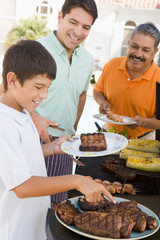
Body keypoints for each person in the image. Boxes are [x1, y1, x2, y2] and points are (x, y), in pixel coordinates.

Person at [0, 40, 115, 240]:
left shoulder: (22, 110)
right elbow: (22, 186)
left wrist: (52, 148)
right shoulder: (4, 124)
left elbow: (22, 155)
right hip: (15, 231)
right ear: (12, 80)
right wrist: (77, 181)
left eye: (47, 87)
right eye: (38, 87)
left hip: (32, 226)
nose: (44, 95)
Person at [31, 0, 98, 202]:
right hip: (31, 141)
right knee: (29, 208)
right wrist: (34, 117)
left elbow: (81, 95)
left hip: (65, 145)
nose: (78, 32)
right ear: (60, 17)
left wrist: (73, 130)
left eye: (86, 27)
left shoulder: (87, 60)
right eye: (73, 22)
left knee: (59, 208)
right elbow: (5, 93)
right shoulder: (35, 50)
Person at [93, 23, 160, 139]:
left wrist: (141, 122)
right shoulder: (112, 65)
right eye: (134, 46)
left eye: (145, 50)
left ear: (155, 52)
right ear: (128, 44)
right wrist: (102, 102)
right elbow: (97, 90)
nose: (138, 54)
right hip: (109, 133)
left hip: (142, 139)